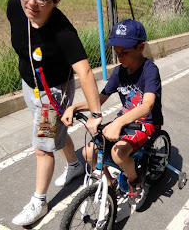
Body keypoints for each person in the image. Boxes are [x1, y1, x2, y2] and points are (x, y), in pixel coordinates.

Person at [6, 0, 102, 226]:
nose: (30, 3)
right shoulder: (14, 6)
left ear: (56, 0)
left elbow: (86, 72)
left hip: (53, 93)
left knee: (43, 147)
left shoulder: (64, 32)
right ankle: (74, 165)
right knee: (54, 134)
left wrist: (96, 114)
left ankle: (39, 201)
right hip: (30, 85)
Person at [62, 19, 163, 207]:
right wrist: (74, 107)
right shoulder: (118, 72)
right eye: (116, 52)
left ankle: (135, 180)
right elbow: (99, 100)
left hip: (147, 122)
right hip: (124, 122)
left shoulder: (150, 71)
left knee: (117, 155)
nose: (120, 57)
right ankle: (110, 183)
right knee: (88, 153)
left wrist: (117, 123)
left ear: (141, 47)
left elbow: (147, 105)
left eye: (125, 52)